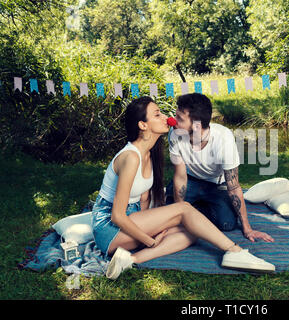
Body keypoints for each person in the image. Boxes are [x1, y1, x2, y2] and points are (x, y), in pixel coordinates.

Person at [91, 96, 275, 280]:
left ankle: (129, 259)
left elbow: (144, 198)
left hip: (133, 218)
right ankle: (234, 251)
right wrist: (149, 239)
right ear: (143, 125)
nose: (167, 118)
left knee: (193, 231)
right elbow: (117, 215)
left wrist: (153, 225)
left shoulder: (148, 153)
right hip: (110, 228)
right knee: (185, 210)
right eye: (157, 114)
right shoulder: (131, 157)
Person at [165, 93, 274, 243]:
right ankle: (192, 208)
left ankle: (196, 208)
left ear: (197, 126)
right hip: (189, 180)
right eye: (175, 115)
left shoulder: (224, 139)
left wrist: (247, 228)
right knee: (168, 213)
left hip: (216, 185)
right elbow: (180, 176)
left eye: (180, 118)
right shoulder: (175, 133)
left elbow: (234, 187)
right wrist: (179, 212)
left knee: (227, 224)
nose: (172, 121)